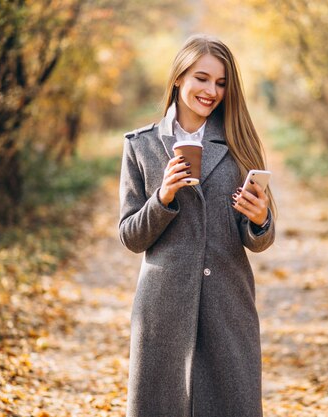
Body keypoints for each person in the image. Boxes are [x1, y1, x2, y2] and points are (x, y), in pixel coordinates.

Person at [118, 34, 276, 417]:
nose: (212, 91)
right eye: (202, 78)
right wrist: (163, 197)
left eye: (221, 83)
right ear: (178, 78)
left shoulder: (240, 143)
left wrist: (259, 220)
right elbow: (130, 236)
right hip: (163, 309)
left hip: (228, 303)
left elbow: (260, 239)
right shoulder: (141, 146)